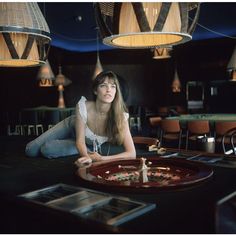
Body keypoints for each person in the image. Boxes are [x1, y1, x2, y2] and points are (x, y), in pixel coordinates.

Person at [25, 71, 136, 165]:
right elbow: (80, 141)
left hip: (87, 143)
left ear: (116, 92)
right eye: (103, 85)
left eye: (113, 86)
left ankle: (89, 149)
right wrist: (86, 156)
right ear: (95, 90)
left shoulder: (120, 116)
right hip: (72, 126)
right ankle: (88, 150)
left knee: (47, 149)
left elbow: (132, 153)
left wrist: (102, 159)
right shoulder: (83, 106)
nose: (109, 90)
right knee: (30, 150)